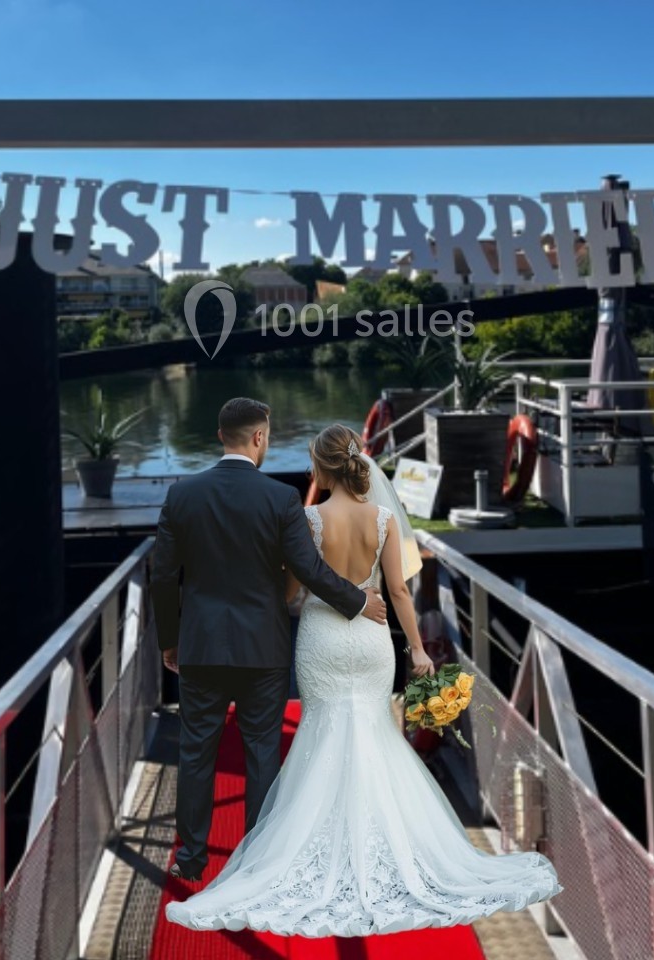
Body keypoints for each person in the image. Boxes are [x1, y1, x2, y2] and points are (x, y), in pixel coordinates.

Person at [166, 423, 564, 937]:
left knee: (322, 734)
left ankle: (322, 848)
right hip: (374, 642)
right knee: (374, 733)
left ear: (323, 468)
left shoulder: (306, 519)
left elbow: (291, 595)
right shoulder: (382, 519)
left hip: (322, 641)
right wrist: (417, 649)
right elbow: (398, 590)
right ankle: (391, 848)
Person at [150, 399, 388, 882]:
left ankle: (191, 859)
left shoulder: (181, 495)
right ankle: (257, 860)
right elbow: (308, 570)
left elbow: (161, 577)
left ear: (221, 435)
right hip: (264, 647)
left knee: (196, 751)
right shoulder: (280, 498)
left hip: (201, 647)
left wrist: (170, 642)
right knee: (262, 751)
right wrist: (359, 602)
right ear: (259, 438)